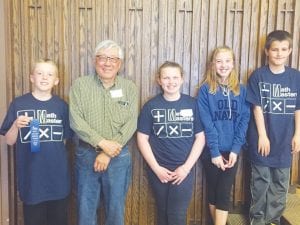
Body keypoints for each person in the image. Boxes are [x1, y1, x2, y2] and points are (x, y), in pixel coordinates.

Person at [69, 40, 138, 225]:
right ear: (94, 60)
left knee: (116, 211)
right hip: (86, 156)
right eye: (103, 58)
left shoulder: (129, 88)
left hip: (118, 157)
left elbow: (131, 123)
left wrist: (108, 152)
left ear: (120, 64)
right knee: (86, 210)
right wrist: (102, 144)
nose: (107, 63)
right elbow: (76, 121)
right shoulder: (80, 85)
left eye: (113, 59)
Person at [0, 59, 72, 225]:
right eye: (39, 73)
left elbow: (65, 140)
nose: (44, 77)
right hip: (32, 180)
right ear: (32, 78)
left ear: (56, 80)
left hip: (58, 180)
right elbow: (10, 142)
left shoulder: (61, 106)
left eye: (49, 74)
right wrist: (16, 126)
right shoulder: (19, 104)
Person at [137, 61, 205, 225]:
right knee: (162, 212)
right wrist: (156, 168)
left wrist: (186, 168)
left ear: (182, 79)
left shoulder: (192, 104)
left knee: (176, 215)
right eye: (166, 77)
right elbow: (142, 138)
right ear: (159, 80)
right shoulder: (151, 106)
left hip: (183, 171)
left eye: (175, 77)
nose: (171, 81)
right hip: (159, 170)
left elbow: (200, 138)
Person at [247, 30, 300, 225]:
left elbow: (298, 107)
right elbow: (256, 107)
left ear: (290, 51)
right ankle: (258, 220)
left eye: (284, 49)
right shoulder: (258, 76)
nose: (279, 53)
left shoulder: (296, 77)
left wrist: (298, 135)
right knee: (260, 183)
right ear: (267, 51)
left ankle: (273, 220)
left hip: (285, 140)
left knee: (279, 184)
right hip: (262, 140)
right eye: (275, 49)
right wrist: (262, 135)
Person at [197, 46, 250, 225]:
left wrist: (235, 149)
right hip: (211, 151)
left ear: (233, 64)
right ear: (213, 64)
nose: (223, 65)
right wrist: (214, 152)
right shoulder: (205, 90)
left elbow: (243, 122)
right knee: (213, 190)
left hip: (232, 152)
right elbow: (207, 124)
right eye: (219, 61)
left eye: (227, 61)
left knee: (224, 191)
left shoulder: (241, 90)